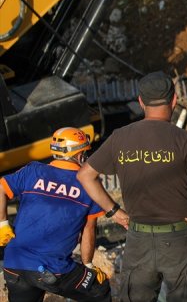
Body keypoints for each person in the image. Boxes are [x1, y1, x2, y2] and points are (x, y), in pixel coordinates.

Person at [77, 71, 187, 302]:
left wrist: (114, 211)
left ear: (140, 101)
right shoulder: (184, 139)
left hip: (139, 238)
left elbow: (85, 175)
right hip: (180, 239)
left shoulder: (120, 137)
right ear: (175, 101)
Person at [0, 127, 111, 302]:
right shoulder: (89, 186)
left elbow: (1, 187)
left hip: (14, 264)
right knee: (99, 291)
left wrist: (3, 224)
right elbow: (89, 229)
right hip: (52, 269)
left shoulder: (33, 171)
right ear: (79, 155)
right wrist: (88, 266)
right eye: (85, 153)